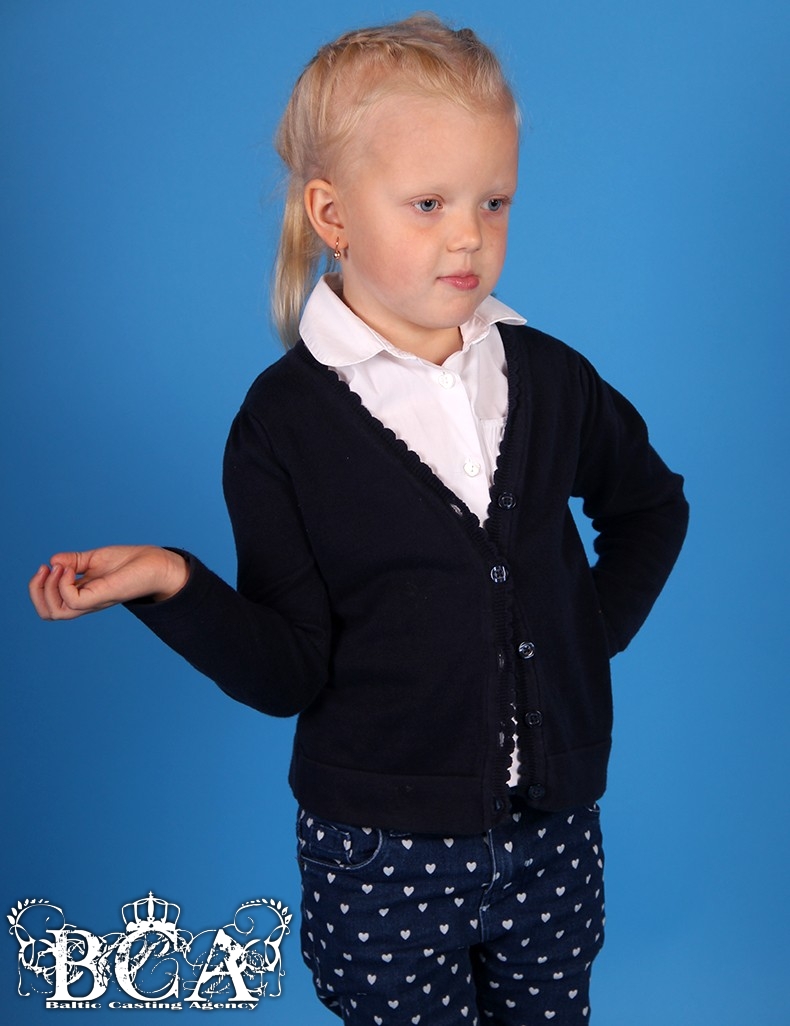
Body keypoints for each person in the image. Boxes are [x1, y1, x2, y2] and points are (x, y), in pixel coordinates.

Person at [29, 13, 689, 1025]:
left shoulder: (552, 379)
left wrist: (577, 640)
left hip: (553, 837)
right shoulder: (281, 427)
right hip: (382, 859)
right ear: (332, 214)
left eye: (494, 201)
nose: (468, 234)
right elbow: (288, 672)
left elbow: (648, 505)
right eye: (428, 203)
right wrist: (174, 583)